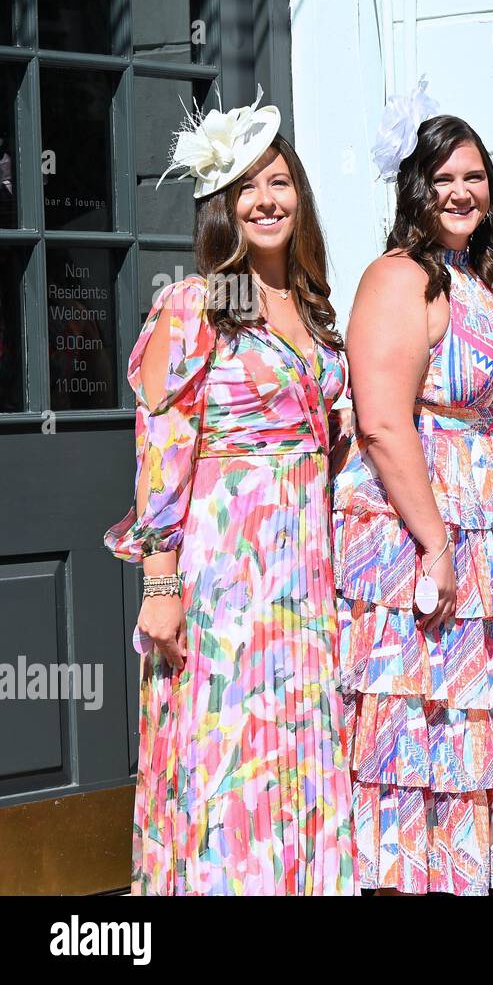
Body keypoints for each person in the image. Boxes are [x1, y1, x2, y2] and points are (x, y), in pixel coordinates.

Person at [105, 90, 355, 894]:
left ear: (300, 196)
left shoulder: (312, 309)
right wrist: (160, 582)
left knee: (298, 742)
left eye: (279, 182)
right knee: (228, 751)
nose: (266, 199)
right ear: (223, 204)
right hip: (226, 571)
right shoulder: (199, 302)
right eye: (247, 186)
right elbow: (162, 450)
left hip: (306, 571)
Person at [332, 90, 493, 894]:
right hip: (417, 524)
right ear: (414, 190)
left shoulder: (477, 278)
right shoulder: (398, 278)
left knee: (475, 729)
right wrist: (435, 543)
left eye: (476, 177)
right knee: (416, 729)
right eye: (444, 177)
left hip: (486, 530)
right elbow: (383, 423)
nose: (462, 191)